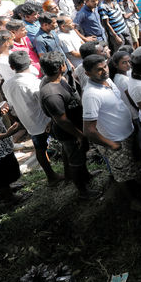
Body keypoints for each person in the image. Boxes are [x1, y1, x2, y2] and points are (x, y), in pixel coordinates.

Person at [81, 55, 141, 207]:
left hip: (128, 133)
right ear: (88, 73)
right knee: (121, 175)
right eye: (99, 70)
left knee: (130, 168)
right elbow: (89, 130)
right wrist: (111, 145)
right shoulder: (91, 95)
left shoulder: (107, 80)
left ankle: (138, 191)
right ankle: (132, 201)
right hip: (115, 140)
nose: (104, 71)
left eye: (105, 67)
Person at [39, 52, 98, 200]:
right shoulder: (51, 92)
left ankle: (86, 175)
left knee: (82, 153)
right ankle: (82, 191)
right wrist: (79, 134)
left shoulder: (60, 80)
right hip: (69, 132)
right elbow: (61, 120)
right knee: (75, 161)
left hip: (76, 127)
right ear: (61, 67)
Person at [2, 51, 62, 184]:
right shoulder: (34, 82)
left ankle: (50, 175)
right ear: (30, 63)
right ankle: (67, 172)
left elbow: (11, 104)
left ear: (12, 67)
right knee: (63, 142)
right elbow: (45, 102)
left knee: (40, 148)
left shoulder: (7, 84)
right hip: (45, 119)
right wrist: (52, 118)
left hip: (29, 121)